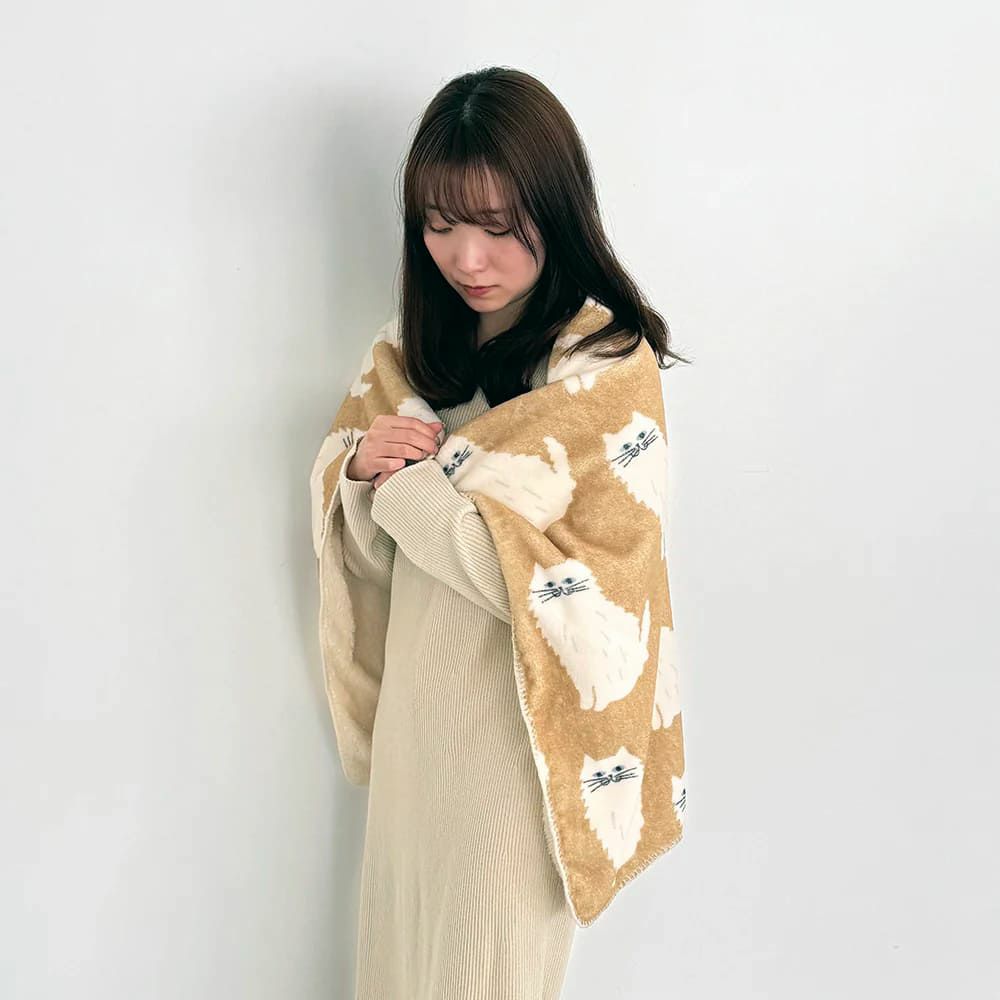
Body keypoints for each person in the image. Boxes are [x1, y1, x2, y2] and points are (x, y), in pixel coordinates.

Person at [332, 65, 689, 999]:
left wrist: (408, 490)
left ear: (555, 211)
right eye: (440, 223)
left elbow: (578, 600)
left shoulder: (607, 371)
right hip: (418, 741)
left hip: (522, 760)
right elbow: (378, 562)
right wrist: (359, 477)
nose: (467, 258)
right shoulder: (407, 355)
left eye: (497, 225)